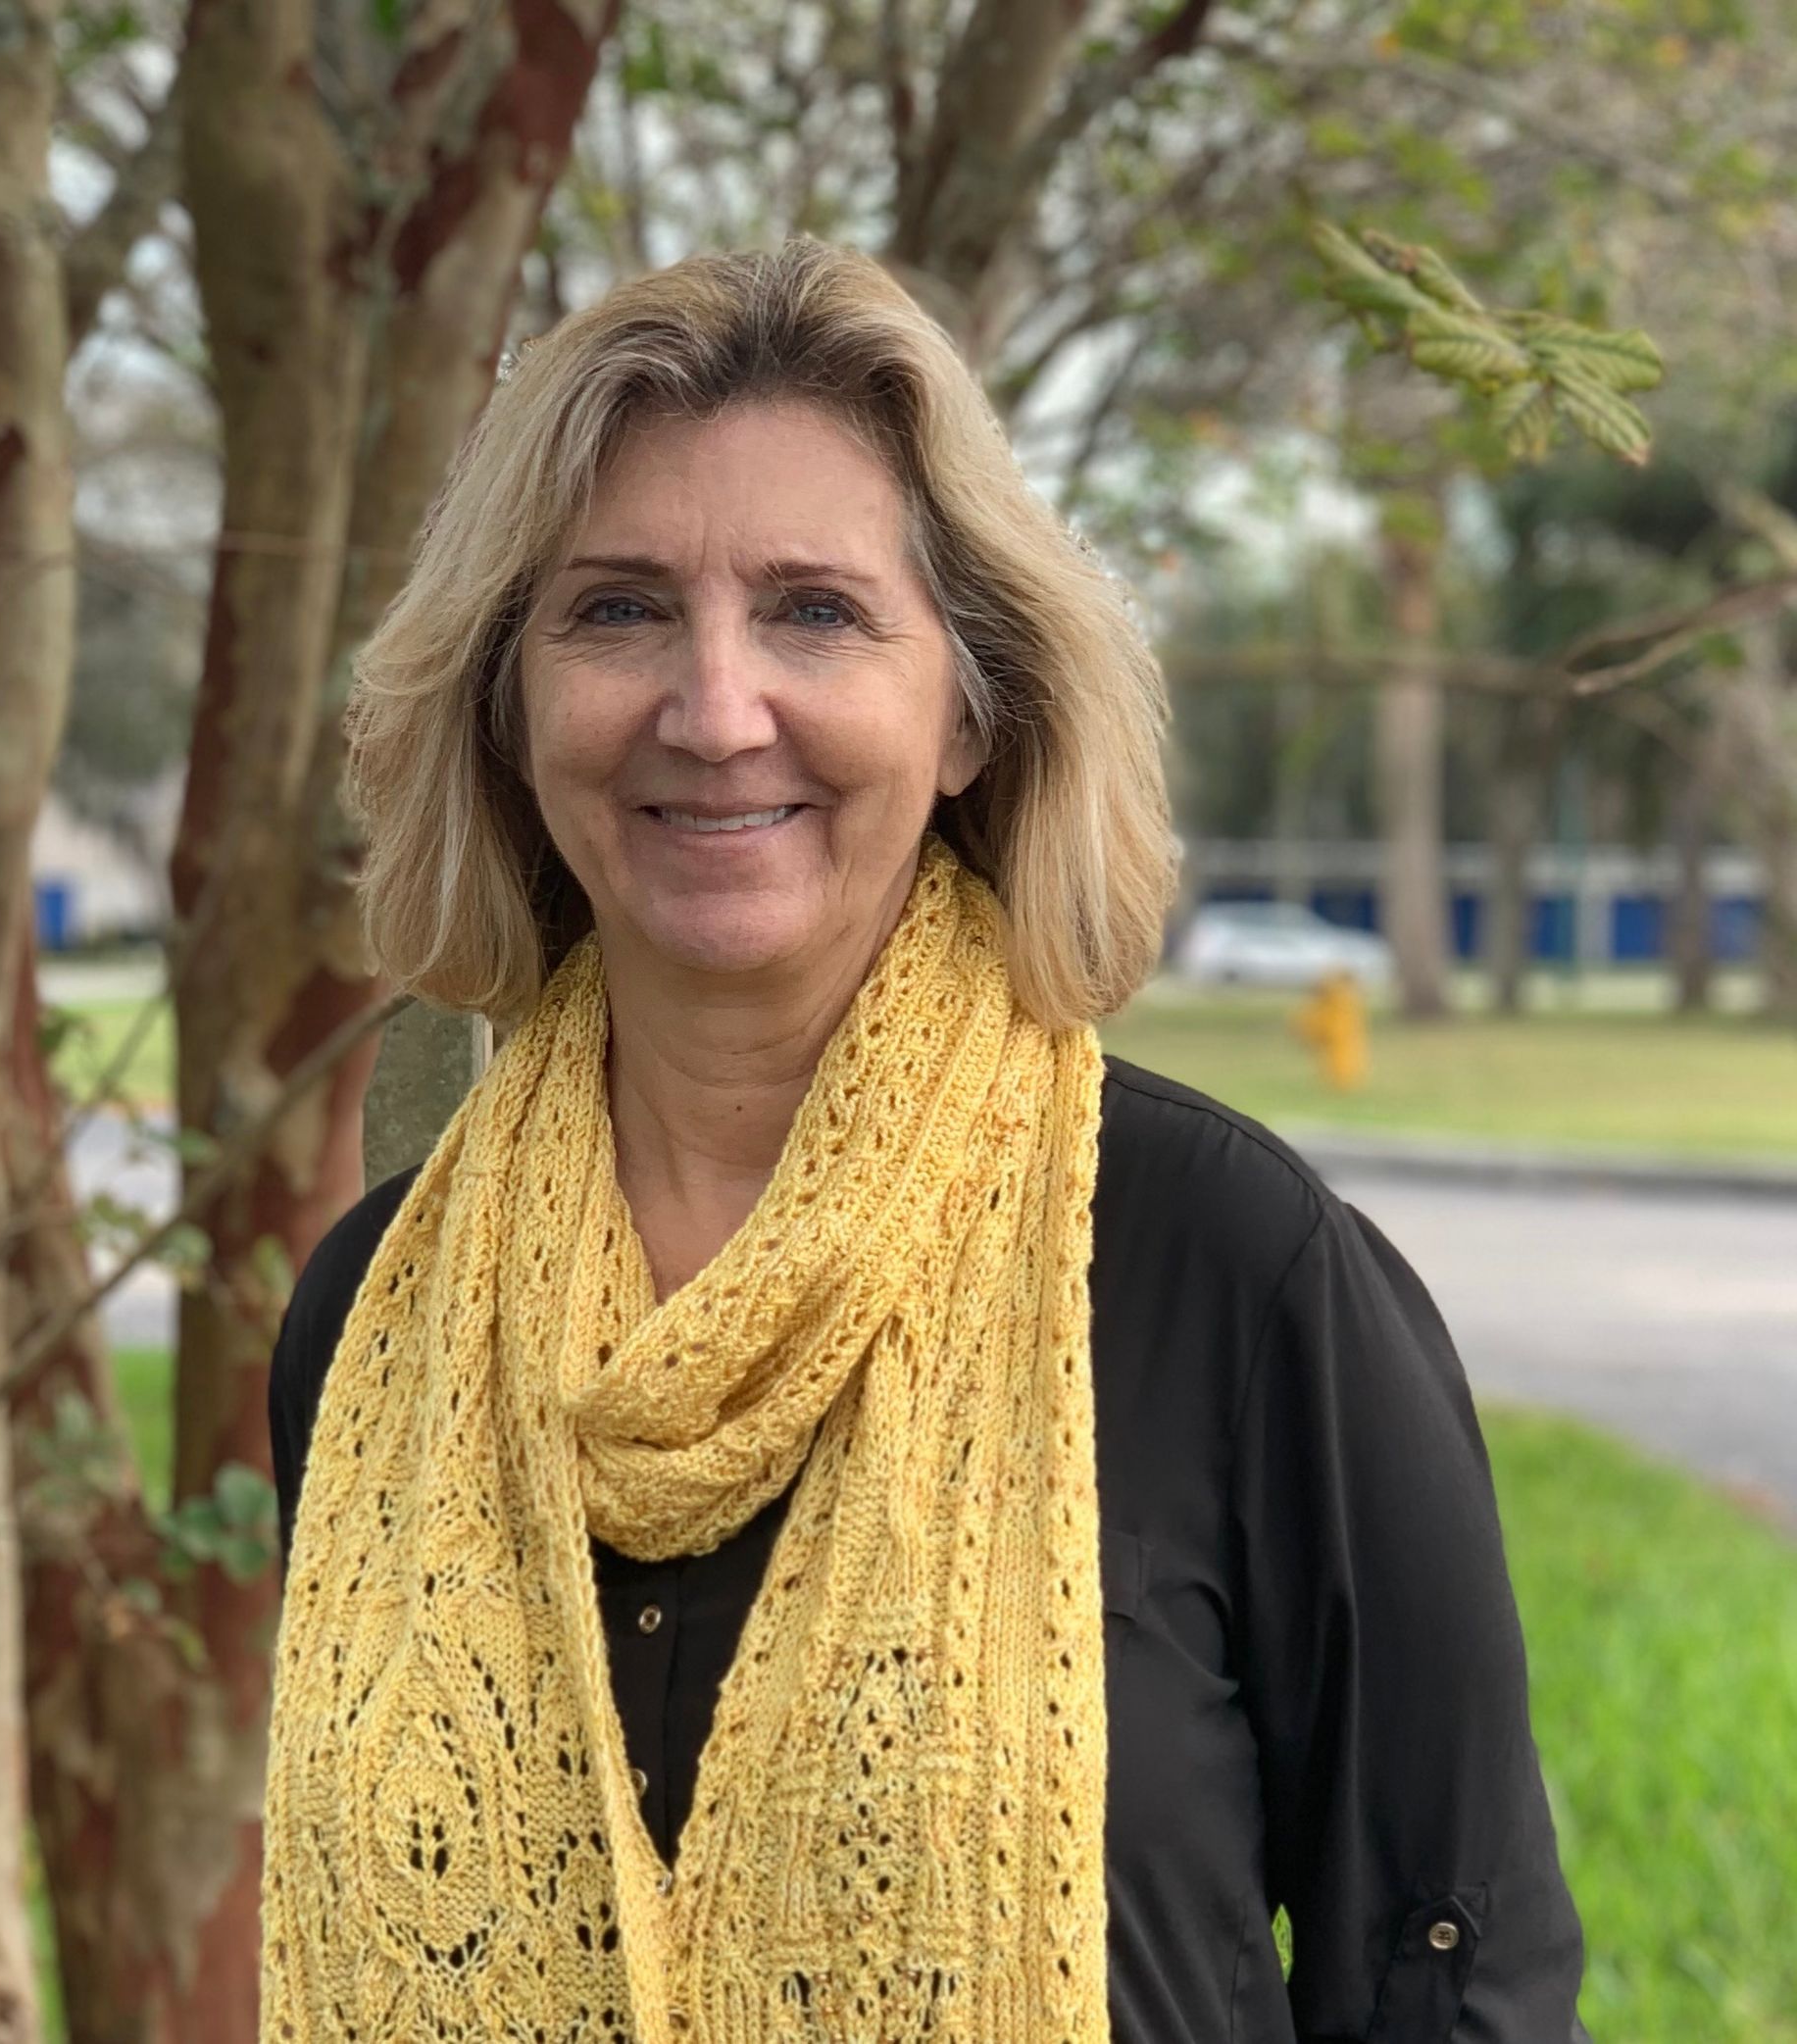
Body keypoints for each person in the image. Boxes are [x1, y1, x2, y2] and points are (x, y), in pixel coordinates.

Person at [261, 237, 1592, 2044]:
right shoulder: (376, 1320)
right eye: (618, 610)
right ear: (509, 707)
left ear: (969, 707)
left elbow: (1457, 1983)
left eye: (815, 611)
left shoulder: (1236, 1274)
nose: (714, 709)